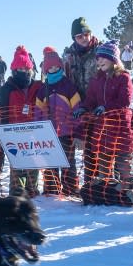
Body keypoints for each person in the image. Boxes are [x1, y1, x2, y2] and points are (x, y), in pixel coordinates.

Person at [75, 41, 133, 192]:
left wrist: (105, 107)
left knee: (124, 160)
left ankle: (129, 187)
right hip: (103, 128)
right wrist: (82, 108)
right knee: (104, 159)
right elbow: (90, 100)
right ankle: (107, 189)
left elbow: (125, 100)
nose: (99, 61)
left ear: (113, 59)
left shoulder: (123, 77)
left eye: (103, 57)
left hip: (121, 127)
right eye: (97, 58)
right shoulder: (97, 80)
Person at [36, 46, 83, 197]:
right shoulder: (43, 89)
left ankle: (70, 189)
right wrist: (39, 131)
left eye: (56, 66)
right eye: (50, 67)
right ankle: (51, 189)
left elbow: (77, 109)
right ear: (46, 69)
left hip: (66, 132)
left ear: (61, 66)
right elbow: (38, 112)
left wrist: (77, 131)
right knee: (50, 162)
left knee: (68, 161)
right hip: (49, 133)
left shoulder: (68, 85)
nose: (54, 68)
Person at [0, 45, 43, 196]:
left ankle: (32, 191)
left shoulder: (37, 87)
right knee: (17, 166)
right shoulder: (6, 89)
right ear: (15, 70)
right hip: (14, 134)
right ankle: (16, 193)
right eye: (20, 69)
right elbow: (1, 113)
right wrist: (4, 134)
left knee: (33, 164)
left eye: (26, 69)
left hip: (34, 134)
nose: (24, 72)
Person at [63, 17, 102, 98]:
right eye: (79, 36)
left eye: (86, 34)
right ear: (74, 39)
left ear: (91, 34)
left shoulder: (102, 50)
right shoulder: (69, 56)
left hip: (100, 99)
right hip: (78, 102)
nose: (84, 38)